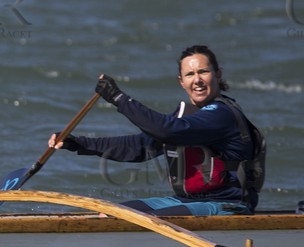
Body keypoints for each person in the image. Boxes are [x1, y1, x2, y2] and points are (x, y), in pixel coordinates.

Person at [48, 45, 265, 216]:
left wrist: (118, 98)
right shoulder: (185, 117)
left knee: (146, 222)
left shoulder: (221, 114)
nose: (197, 80)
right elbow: (140, 147)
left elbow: (167, 131)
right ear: (181, 82)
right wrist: (79, 144)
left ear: (218, 75)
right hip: (188, 201)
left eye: (203, 72)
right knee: (110, 215)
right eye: (190, 74)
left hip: (227, 205)